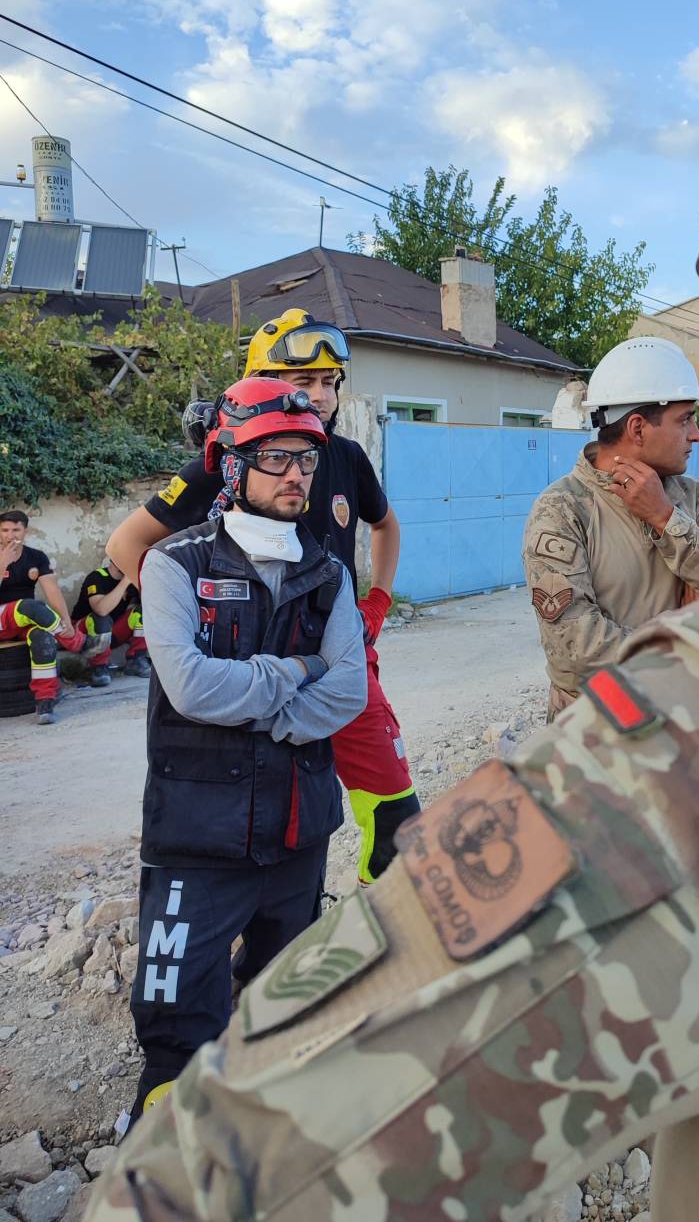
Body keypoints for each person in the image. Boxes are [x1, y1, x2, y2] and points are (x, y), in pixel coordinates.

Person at [89, 54, 699, 1222]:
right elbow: (597, 638)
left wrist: (690, 598)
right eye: (681, 413)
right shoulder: (562, 523)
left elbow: (238, 1165)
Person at [106, 309, 419, 884]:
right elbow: (127, 544)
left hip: (336, 662)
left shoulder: (345, 456)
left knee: (397, 816)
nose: (320, 396)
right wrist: (189, 616)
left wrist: (378, 599)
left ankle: (383, 939)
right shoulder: (224, 461)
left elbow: (386, 526)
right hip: (246, 664)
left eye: (330, 382)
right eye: (305, 383)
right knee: (258, 826)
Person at [127, 376, 365, 1124]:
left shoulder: (329, 571)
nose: (297, 475)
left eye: (305, 459)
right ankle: (173, 1144)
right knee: (176, 1026)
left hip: (298, 828)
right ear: (231, 466)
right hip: (196, 837)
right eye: (277, 459)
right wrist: (294, 675)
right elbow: (192, 689)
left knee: (281, 989)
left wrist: (259, 707)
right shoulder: (175, 565)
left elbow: (349, 691)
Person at [523, 336, 699, 718]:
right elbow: (577, 651)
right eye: (685, 420)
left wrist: (667, 520)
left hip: (685, 722)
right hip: (597, 734)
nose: (696, 434)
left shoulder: (686, 498)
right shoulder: (562, 510)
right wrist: (684, 650)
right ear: (637, 428)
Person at [0, 509, 106, 725]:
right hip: (5, 616)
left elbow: (53, 592)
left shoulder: (36, 557)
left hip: (23, 618)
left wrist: (65, 621)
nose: (10, 535)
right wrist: (2, 563)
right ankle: (81, 644)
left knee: (43, 637)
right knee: (31, 607)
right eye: (4, 530)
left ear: (25, 531)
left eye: (15, 530)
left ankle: (44, 702)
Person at [70, 557, 149, 687]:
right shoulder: (97, 577)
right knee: (100, 618)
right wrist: (125, 582)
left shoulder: (132, 581)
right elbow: (101, 610)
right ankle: (99, 667)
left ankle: (136, 659)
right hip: (84, 634)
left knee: (142, 612)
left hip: (111, 633)